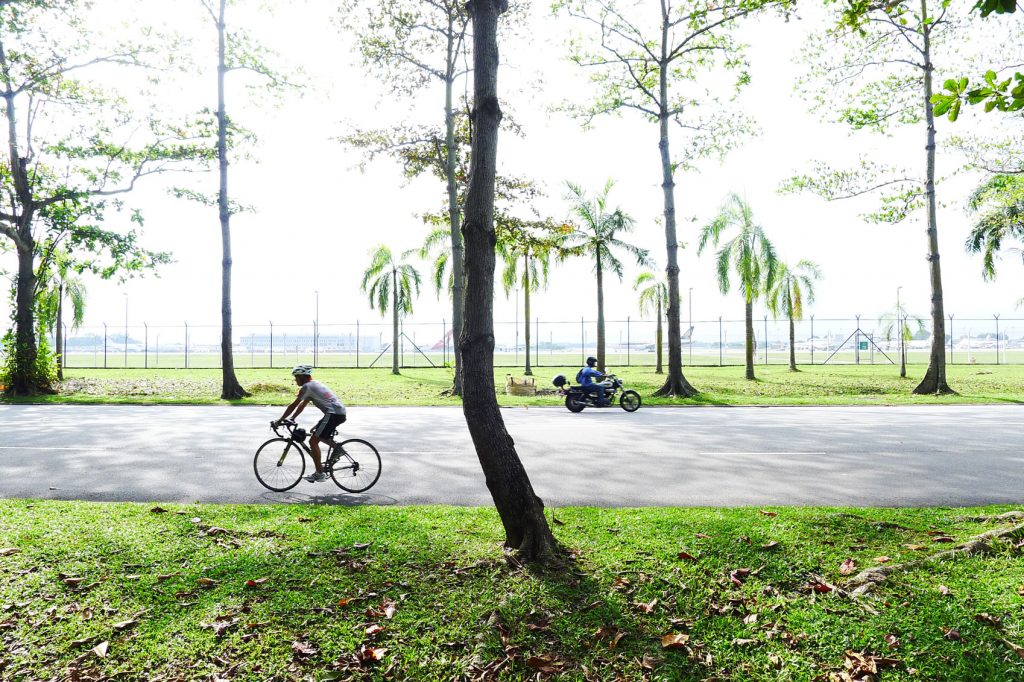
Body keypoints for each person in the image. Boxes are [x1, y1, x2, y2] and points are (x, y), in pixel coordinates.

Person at [274, 365, 347, 483]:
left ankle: (320, 473)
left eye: (297, 377)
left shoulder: (307, 387)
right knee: (315, 432)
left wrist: (280, 420)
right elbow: (303, 404)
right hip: (337, 413)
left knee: (313, 441)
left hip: (333, 414)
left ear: (302, 377)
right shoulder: (314, 384)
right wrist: (292, 418)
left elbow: (294, 405)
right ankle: (337, 448)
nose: (295, 380)